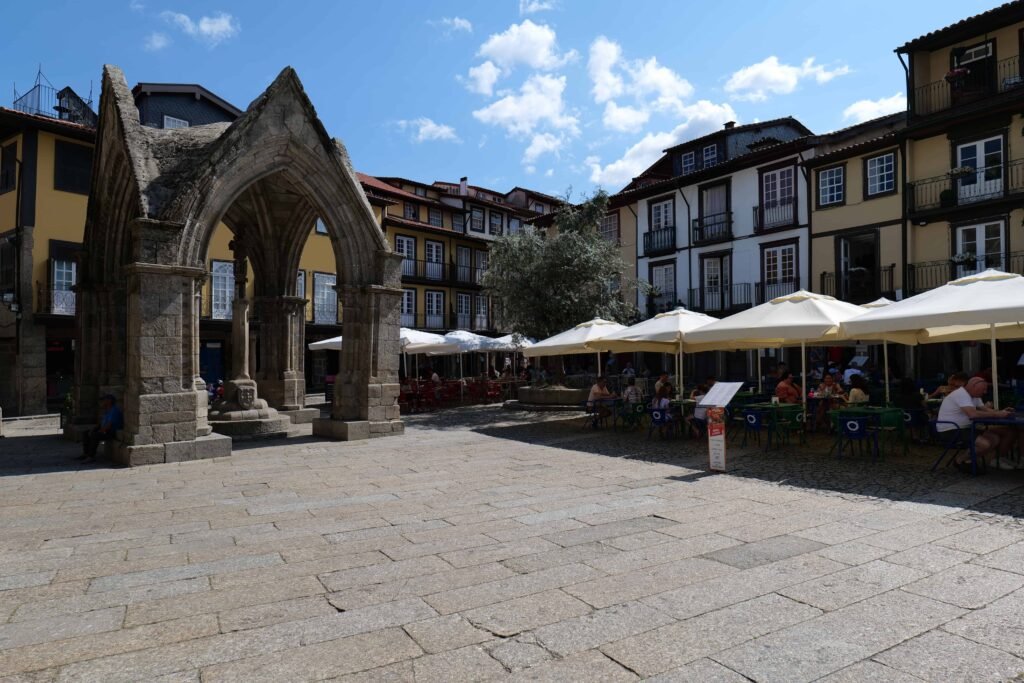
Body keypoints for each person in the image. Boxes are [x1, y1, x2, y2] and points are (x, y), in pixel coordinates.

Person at [938, 377, 1018, 472]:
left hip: (965, 427)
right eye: (983, 389)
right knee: (984, 444)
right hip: (950, 429)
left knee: (994, 438)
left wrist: (1002, 412)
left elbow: (985, 409)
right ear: (973, 387)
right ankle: (960, 460)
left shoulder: (974, 395)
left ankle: (969, 460)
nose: (985, 392)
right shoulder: (961, 394)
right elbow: (973, 414)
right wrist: (997, 414)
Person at [78, 394, 123, 463]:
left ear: (109, 401)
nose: (102, 402)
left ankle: (91, 456)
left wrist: (98, 431)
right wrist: (93, 429)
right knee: (86, 433)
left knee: (95, 435)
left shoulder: (114, 411)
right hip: (106, 430)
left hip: (111, 432)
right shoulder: (108, 410)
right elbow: (102, 424)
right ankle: (86, 453)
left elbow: (109, 425)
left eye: (104, 400)